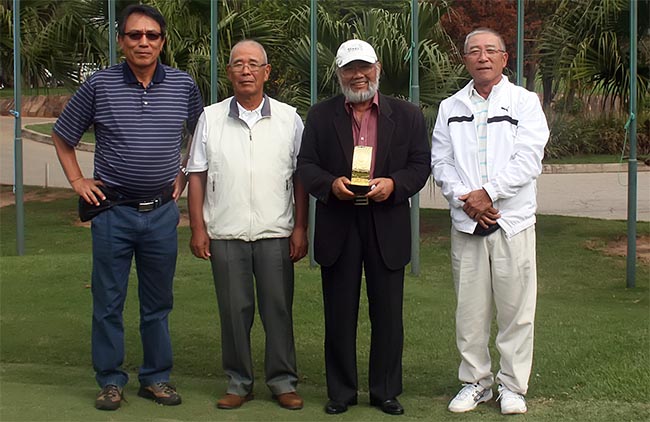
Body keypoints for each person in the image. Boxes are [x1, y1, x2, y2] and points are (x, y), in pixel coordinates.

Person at [52, 4, 203, 411]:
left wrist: (185, 172)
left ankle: (155, 378)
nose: (143, 42)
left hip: (161, 215)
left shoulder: (183, 85)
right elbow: (62, 135)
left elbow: (201, 137)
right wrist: (77, 181)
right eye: (134, 35)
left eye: (151, 35)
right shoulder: (99, 85)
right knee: (108, 302)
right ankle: (110, 380)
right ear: (121, 41)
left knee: (157, 303)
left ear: (162, 41)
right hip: (113, 213)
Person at [297, 39, 430, 416]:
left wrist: (394, 185)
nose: (358, 76)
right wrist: (329, 185)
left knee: (388, 314)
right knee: (339, 312)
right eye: (349, 69)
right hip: (339, 220)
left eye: (364, 67)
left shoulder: (407, 115)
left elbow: (420, 165)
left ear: (378, 68)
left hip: (386, 220)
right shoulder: (321, 116)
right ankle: (341, 392)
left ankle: (385, 391)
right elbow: (306, 165)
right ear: (338, 73)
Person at [430, 28, 549, 415]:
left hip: (512, 221)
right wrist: (466, 199)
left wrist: (489, 194)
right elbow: (441, 162)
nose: (482, 57)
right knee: (470, 312)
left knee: (516, 310)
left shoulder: (524, 102)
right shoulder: (450, 107)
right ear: (465, 60)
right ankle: (475, 383)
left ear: (504, 57)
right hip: (468, 224)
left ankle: (512, 387)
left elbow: (529, 158)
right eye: (474, 52)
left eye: (490, 51)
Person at [186, 39, 308, 411]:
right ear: (229, 73)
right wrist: (197, 228)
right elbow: (196, 175)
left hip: (276, 233)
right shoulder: (210, 117)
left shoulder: (289, 118)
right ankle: (238, 383)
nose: (246, 70)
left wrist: (301, 228)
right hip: (225, 233)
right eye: (238, 63)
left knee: (278, 311)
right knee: (234, 314)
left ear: (266, 72)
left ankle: (282, 381)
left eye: (254, 63)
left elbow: (301, 178)